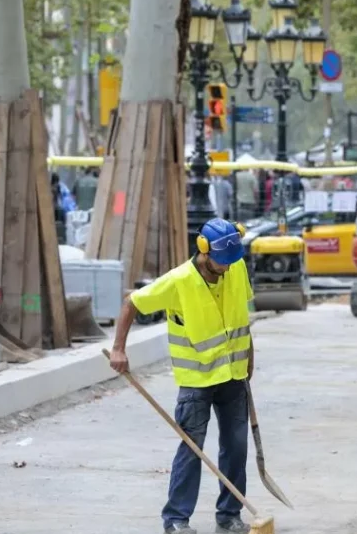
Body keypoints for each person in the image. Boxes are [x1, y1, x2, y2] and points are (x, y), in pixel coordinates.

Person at [108, 218, 255, 534]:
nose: (228, 268)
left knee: (236, 446)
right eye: (222, 261)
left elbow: (241, 317)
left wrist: (249, 360)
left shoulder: (235, 265)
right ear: (204, 251)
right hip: (197, 382)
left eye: (232, 261)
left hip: (233, 376)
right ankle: (176, 519)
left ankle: (229, 515)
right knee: (192, 448)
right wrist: (118, 348)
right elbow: (131, 302)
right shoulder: (179, 281)